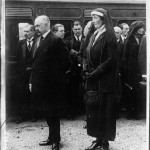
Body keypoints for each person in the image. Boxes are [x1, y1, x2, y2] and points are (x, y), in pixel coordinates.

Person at [30, 15, 69, 150]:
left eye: (38, 26)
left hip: (52, 86)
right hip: (40, 84)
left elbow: (65, 63)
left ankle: (56, 141)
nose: (36, 28)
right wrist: (31, 81)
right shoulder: (38, 39)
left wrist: (54, 78)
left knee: (53, 113)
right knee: (47, 112)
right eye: (35, 26)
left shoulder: (56, 40)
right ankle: (51, 137)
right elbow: (35, 63)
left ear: (46, 24)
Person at [83, 8, 118, 150]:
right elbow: (86, 53)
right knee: (94, 110)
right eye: (92, 18)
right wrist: (85, 69)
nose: (93, 21)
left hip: (105, 81)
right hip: (93, 79)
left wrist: (96, 72)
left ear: (103, 19)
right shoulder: (94, 34)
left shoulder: (109, 35)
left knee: (105, 111)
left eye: (95, 18)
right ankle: (97, 138)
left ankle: (105, 141)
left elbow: (111, 60)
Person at [122, 20, 145, 120]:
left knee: (137, 91)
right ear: (135, 29)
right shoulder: (129, 40)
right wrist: (125, 71)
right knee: (130, 91)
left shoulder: (141, 38)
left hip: (138, 69)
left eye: (143, 28)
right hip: (130, 70)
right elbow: (124, 57)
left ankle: (136, 112)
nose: (142, 29)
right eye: (140, 28)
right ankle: (130, 112)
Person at [16, 24, 37, 124]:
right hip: (23, 74)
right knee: (21, 95)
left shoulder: (38, 42)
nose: (26, 33)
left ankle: (33, 115)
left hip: (33, 73)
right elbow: (17, 59)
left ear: (33, 32)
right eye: (25, 32)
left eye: (28, 31)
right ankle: (21, 116)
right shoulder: (20, 43)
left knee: (33, 95)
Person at [65, 20, 84, 119]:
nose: (77, 31)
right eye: (75, 29)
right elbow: (67, 54)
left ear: (82, 29)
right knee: (73, 91)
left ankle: (83, 110)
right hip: (73, 70)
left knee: (84, 90)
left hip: (83, 69)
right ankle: (73, 112)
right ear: (72, 30)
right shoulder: (68, 40)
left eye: (79, 29)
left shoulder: (86, 39)